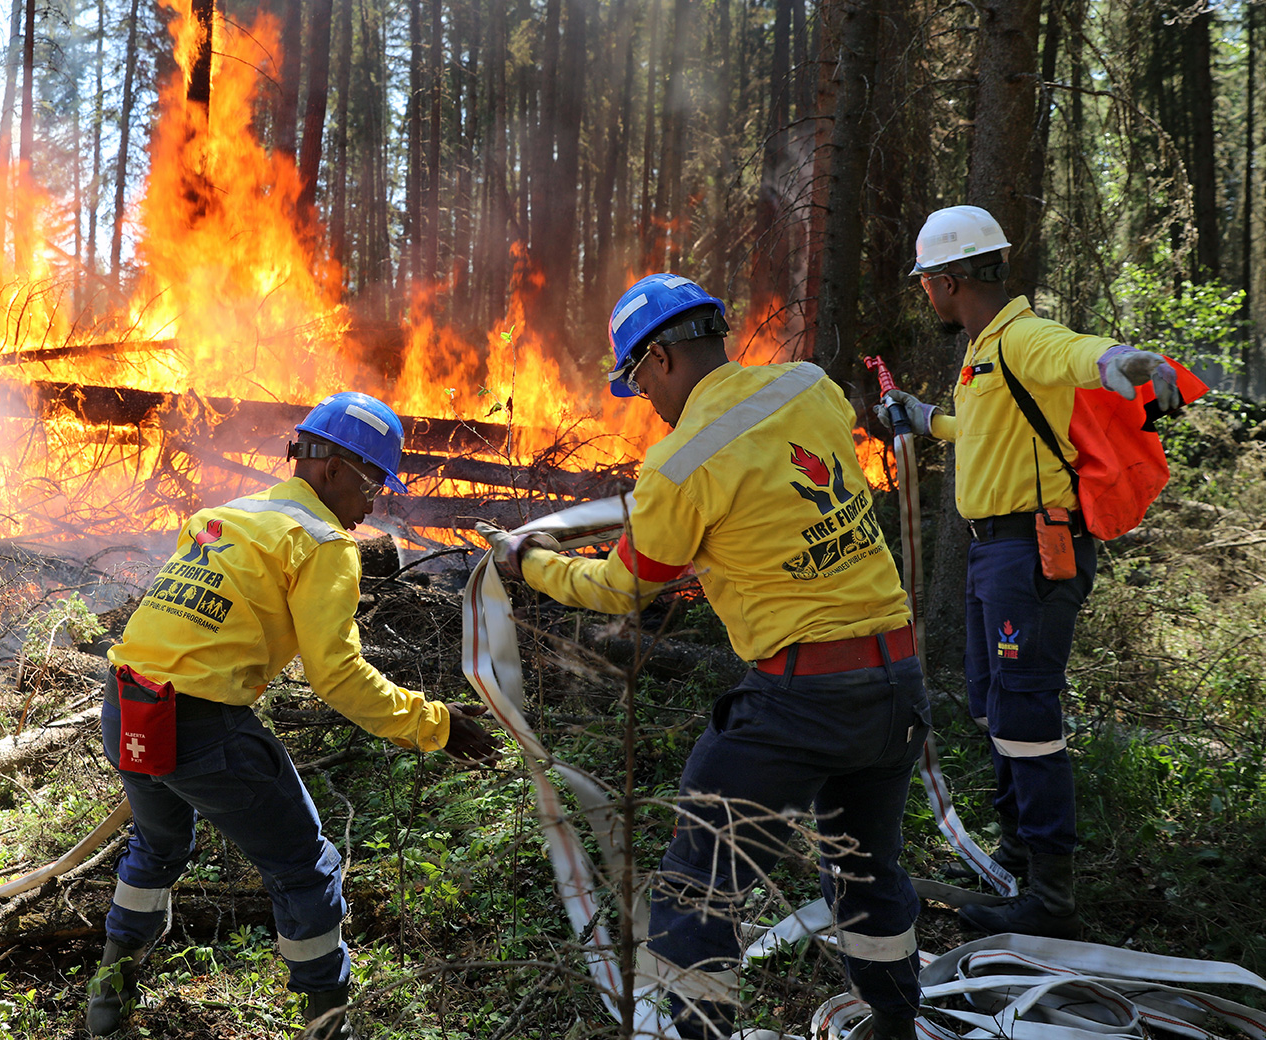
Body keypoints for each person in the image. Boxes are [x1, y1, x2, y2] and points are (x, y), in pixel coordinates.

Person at [489, 274, 929, 1040]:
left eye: (637, 379)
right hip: (897, 681)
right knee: (865, 865)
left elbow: (627, 586)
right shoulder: (811, 386)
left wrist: (531, 564)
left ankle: (698, 1032)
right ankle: (895, 1022)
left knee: (700, 884)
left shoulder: (679, 463)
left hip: (800, 701)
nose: (645, 401)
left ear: (659, 356)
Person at [85, 391, 500, 1039]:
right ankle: (326, 1023)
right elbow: (337, 676)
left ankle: (106, 1003)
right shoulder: (324, 544)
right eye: (371, 485)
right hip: (199, 727)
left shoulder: (223, 515)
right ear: (331, 469)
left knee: (159, 846)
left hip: (125, 703)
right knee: (307, 868)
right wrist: (437, 725)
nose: (373, 507)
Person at [877, 205, 1181, 939]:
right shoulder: (984, 350)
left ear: (948, 281)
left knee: (1027, 719)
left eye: (927, 281)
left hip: (1031, 554)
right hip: (993, 554)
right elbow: (984, 430)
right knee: (992, 706)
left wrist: (1124, 363)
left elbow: (1077, 353)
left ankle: (1050, 898)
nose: (925, 293)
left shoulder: (1023, 336)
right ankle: (1019, 857)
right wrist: (924, 418)